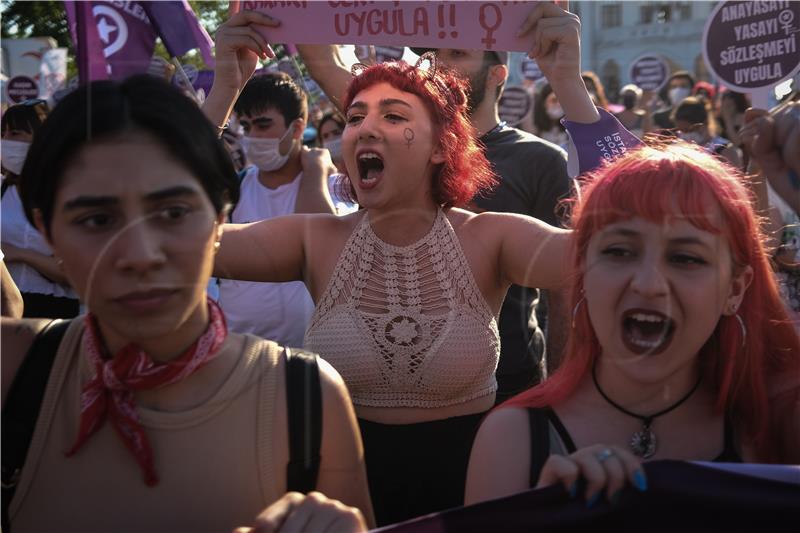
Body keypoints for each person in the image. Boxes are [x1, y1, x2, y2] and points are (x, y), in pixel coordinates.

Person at [203, 10, 570, 526]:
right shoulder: (313, 239)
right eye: (355, 118)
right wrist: (225, 89)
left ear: (443, 146)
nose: (366, 128)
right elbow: (176, 240)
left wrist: (571, 91)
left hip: (476, 500)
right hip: (346, 507)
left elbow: (614, 249)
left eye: (394, 116)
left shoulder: (493, 237)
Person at [1, 75, 373, 532]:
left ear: (221, 216)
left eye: (174, 213)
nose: (140, 254)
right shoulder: (12, 370)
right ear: (45, 229)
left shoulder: (308, 398)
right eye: (97, 220)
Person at [465, 2, 800, 506]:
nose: (648, 283)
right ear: (579, 268)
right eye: (619, 251)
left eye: (686, 258)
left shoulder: (778, 431)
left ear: (736, 288)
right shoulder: (513, 440)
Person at [299, 43, 573, 396]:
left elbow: (566, 287)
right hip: (381, 386)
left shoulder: (541, 160)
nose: (440, 65)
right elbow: (322, 59)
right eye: (435, 54)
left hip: (511, 385)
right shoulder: (387, 142)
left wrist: (561, 392)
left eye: (458, 54)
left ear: (497, 73)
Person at [217, 71, 335, 348]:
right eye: (246, 127)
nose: (253, 136)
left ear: (296, 128)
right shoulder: (236, 187)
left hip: (311, 358)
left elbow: (316, 241)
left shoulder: (330, 184)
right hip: (239, 351)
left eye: (263, 124)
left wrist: (315, 173)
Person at [1, 100, 80, 319]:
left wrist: (21, 254)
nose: (6, 140)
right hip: (5, 310)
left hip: (54, 310)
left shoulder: (67, 193)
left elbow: (74, 273)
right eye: (4, 133)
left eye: (15, 133)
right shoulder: (2, 190)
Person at [672, 96, 742, 168]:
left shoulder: (724, 149)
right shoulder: (678, 149)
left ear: (705, 123)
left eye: (688, 130)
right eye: (680, 130)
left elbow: (737, 177)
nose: (684, 135)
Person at [532, 82, 569, 148]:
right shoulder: (533, 129)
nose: (559, 104)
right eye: (554, 100)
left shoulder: (570, 130)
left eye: (563, 100)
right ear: (543, 103)